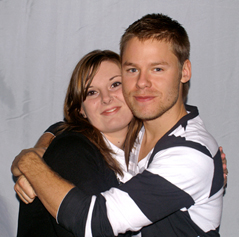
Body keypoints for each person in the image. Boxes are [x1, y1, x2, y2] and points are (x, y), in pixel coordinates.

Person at [12, 13, 226, 236]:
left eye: (157, 69)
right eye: (133, 70)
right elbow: (63, 128)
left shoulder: (187, 154)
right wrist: (42, 149)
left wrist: (30, 163)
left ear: (185, 71)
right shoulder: (137, 136)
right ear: (80, 110)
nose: (142, 83)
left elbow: (95, 222)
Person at [15, 50, 137, 236]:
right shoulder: (72, 152)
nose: (106, 98)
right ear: (81, 109)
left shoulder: (147, 147)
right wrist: (29, 162)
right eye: (92, 92)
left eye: (115, 84)